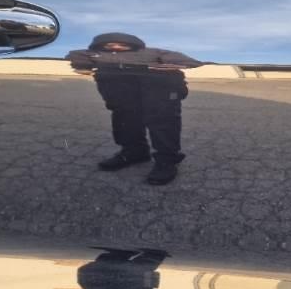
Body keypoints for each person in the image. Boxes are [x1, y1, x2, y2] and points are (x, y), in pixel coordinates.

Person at [67, 33, 202, 185]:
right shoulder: (96, 54)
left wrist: (163, 64)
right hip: (121, 90)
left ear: (133, 44)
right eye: (109, 45)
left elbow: (189, 61)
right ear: (99, 46)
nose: (116, 47)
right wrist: (87, 63)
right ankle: (134, 152)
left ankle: (167, 160)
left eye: (122, 44)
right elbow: (76, 56)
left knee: (163, 122)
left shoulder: (151, 52)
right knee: (125, 120)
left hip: (159, 88)